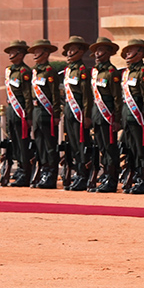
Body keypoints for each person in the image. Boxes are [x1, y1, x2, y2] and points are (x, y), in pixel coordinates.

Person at [87, 37, 122, 193]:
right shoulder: (95, 72)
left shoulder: (111, 72)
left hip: (108, 115)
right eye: (96, 50)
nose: (97, 53)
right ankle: (106, 175)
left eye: (101, 50)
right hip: (97, 115)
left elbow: (117, 98)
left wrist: (117, 119)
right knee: (101, 147)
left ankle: (112, 180)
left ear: (108, 53)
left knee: (110, 148)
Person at [120, 38, 144, 195]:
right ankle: (132, 176)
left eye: (131, 50)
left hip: (138, 115)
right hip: (127, 115)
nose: (128, 53)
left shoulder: (143, 72)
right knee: (130, 149)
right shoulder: (127, 72)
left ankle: (143, 179)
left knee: (141, 149)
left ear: (140, 53)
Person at [60, 36, 92, 190]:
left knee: (81, 144)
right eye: (68, 49)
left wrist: (86, 115)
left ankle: (83, 174)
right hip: (69, 111)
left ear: (81, 51)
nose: (69, 52)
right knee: (73, 145)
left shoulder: (82, 70)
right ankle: (77, 173)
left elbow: (87, 95)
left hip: (79, 111)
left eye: (73, 49)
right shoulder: (68, 70)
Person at [28, 39, 61, 189]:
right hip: (36, 111)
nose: (35, 54)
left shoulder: (49, 71)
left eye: (38, 51)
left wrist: (55, 113)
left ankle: (51, 174)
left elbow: (55, 95)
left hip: (46, 112)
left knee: (49, 145)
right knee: (39, 144)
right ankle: (43, 170)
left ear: (45, 53)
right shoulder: (35, 71)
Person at [3, 40, 34, 187]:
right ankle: (19, 168)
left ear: (21, 54)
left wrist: (28, 115)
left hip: (21, 111)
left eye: (13, 51)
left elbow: (28, 95)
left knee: (23, 143)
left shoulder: (24, 72)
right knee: (15, 142)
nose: (10, 54)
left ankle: (25, 172)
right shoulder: (10, 70)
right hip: (11, 110)